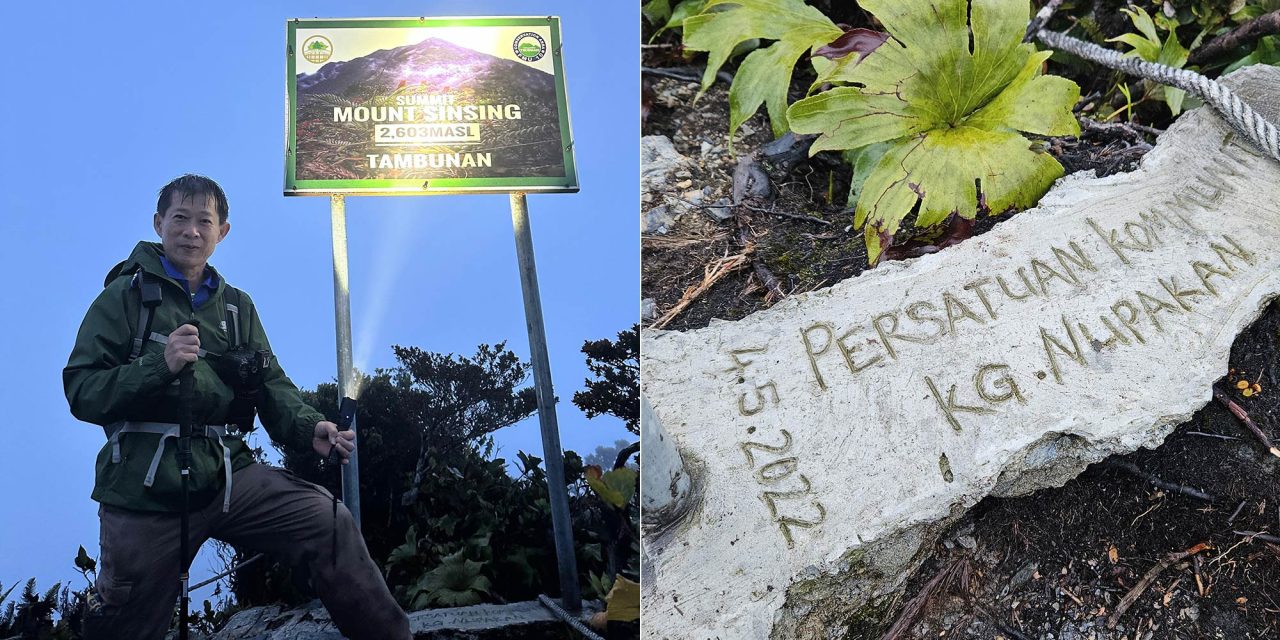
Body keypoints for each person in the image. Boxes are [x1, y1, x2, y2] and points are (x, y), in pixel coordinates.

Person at [63, 174, 411, 640]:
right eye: (180, 219)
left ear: (222, 231)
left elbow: (271, 382)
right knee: (126, 623)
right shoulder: (123, 298)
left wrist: (310, 428)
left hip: (228, 474)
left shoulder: (236, 307)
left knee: (326, 522)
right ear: (158, 223)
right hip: (142, 490)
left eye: (203, 221)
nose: (191, 231)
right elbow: (81, 389)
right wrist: (157, 366)